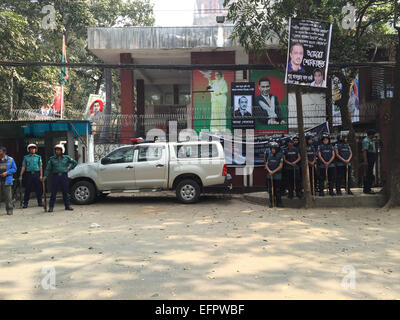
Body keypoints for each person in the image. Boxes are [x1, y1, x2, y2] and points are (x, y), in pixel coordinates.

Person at [43, 144, 78, 212]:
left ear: (62, 151)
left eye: (59, 150)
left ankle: (67, 206)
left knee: (65, 192)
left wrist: (69, 168)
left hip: (64, 176)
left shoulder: (66, 158)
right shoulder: (52, 159)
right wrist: (45, 176)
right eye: (56, 150)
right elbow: (48, 168)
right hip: (55, 177)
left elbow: (75, 163)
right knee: (53, 192)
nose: (57, 151)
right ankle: (51, 207)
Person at [19, 144, 43, 208]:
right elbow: (23, 166)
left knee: (39, 188)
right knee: (27, 189)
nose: (32, 150)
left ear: (36, 149)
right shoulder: (26, 157)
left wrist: (41, 175)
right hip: (28, 174)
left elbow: (40, 167)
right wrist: (21, 175)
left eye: (34, 148)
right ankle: (25, 203)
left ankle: (40, 202)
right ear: (28, 150)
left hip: (37, 174)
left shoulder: (38, 157)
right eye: (31, 148)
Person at [265, 142, 284, 208]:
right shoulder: (269, 155)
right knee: (271, 190)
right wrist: (269, 171)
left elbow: (281, 166)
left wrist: (274, 171)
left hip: (277, 176)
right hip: (270, 175)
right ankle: (271, 202)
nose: (272, 150)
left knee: (277, 190)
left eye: (274, 149)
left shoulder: (280, 155)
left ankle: (279, 203)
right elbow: (266, 164)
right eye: (271, 149)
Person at [0, 146, 17, 215]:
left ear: (4, 152)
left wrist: (7, 172)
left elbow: (14, 169)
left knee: (8, 196)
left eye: (0, 151)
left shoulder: (10, 159)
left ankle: (9, 209)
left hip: (7, 180)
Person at [362, 129, 377, 194]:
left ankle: (369, 188)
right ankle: (367, 189)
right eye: (373, 135)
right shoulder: (366, 140)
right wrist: (365, 160)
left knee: (370, 173)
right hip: (369, 157)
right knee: (368, 174)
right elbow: (365, 151)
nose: (374, 136)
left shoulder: (370, 140)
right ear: (371, 135)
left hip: (372, 156)